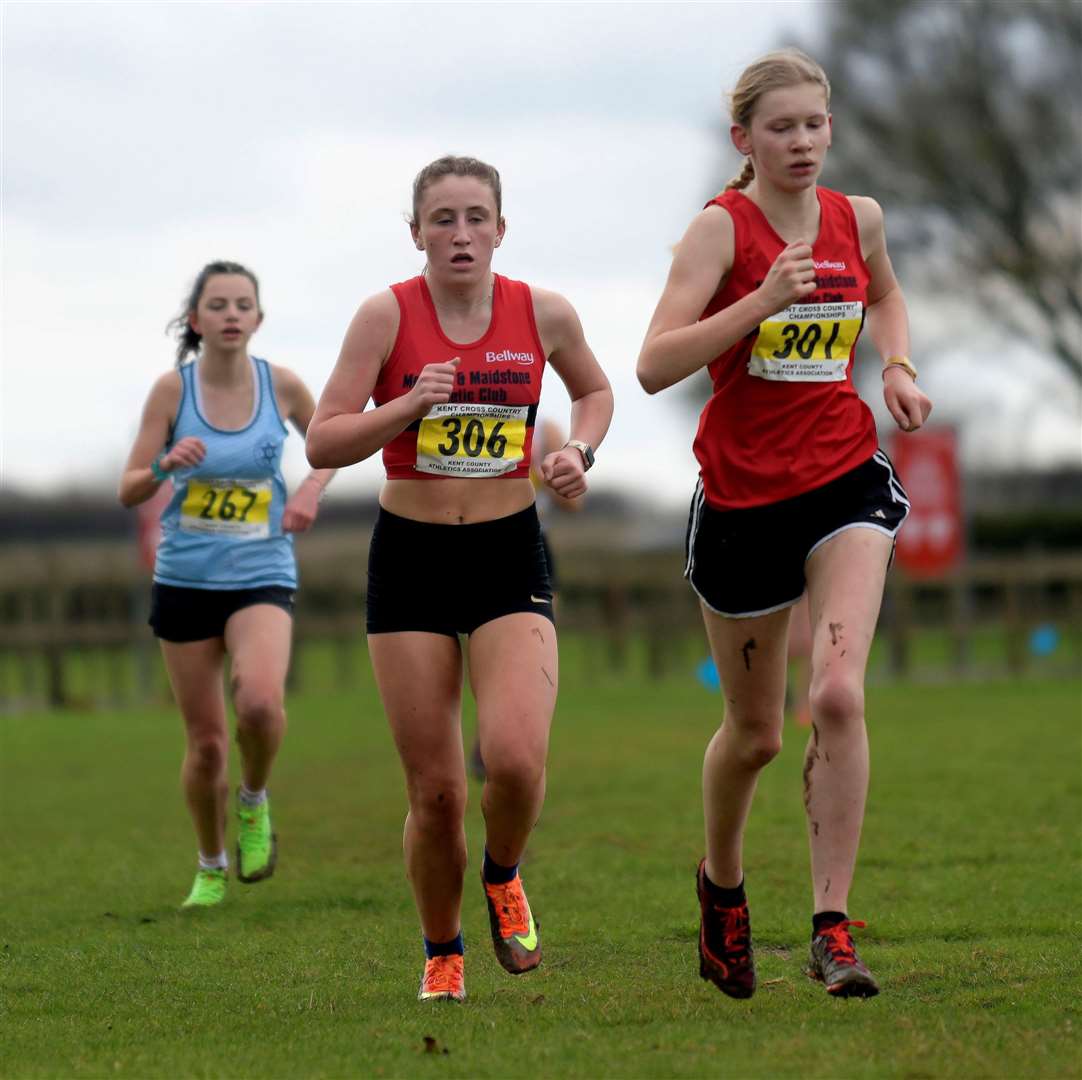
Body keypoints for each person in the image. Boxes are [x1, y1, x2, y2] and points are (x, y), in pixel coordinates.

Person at [636, 50, 931, 999]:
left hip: (844, 480)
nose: (801, 143)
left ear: (832, 127)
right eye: (780, 128)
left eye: (814, 125)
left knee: (838, 696)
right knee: (756, 735)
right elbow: (652, 365)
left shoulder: (860, 220)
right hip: (740, 503)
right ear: (744, 142)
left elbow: (883, 293)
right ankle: (721, 886)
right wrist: (759, 304)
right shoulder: (720, 234)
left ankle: (831, 930)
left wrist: (895, 366)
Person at [306, 155, 613, 1003]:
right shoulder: (384, 316)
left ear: (501, 229)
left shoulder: (542, 311)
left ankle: (504, 872)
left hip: (507, 552)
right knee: (437, 792)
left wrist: (575, 453)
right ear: (416, 234)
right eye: (442, 218)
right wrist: (407, 405)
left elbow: (595, 392)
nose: (461, 232)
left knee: (514, 760)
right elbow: (324, 442)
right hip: (408, 560)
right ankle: (443, 950)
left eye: (476, 216)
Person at [119, 261, 334, 909]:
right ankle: (211, 864)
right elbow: (130, 487)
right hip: (185, 576)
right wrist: (164, 464)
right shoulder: (170, 393)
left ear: (259, 319)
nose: (232, 314)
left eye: (244, 304)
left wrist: (309, 492)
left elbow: (333, 446)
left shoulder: (285, 386)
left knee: (262, 705)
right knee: (208, 744)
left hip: (262, 570)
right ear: (197, 321)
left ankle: (254, 800)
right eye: (218, 304)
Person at [467, 415, 584, 781]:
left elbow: (573, 506)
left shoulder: (546, 431)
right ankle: (491, 736)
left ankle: (497, 741)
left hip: (534, 550)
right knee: (481, 655)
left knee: (534, 653)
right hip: (473, 543)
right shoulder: (462, 413)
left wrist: (555, 478)